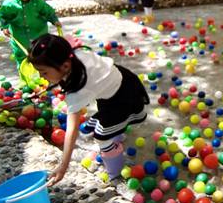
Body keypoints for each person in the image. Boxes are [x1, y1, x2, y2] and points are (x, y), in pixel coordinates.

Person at [28, 34, 149, 183]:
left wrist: (63, 166)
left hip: (123, 98)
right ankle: (116, 136)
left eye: (44, 72)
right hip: (121, 79)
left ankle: (115, 175)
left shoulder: (79, 90)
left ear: (65, 66)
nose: (41, 76)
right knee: (106, 123)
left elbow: (71, 131)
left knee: (101, 137)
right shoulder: (75, 54)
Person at [0, 0, 62, 65]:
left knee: (41, 57)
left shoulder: (38, 1)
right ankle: (25, 79)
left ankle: (43, 75)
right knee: (22, 60)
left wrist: (54, 20)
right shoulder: (9, 4)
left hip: (39, 36)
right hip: (19, 38)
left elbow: (48, 11)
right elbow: (2, 15)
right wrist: (4, 27)